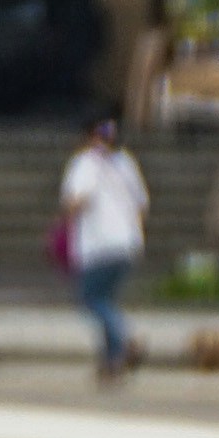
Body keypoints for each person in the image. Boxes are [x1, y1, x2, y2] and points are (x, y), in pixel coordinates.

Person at [58, 113, 148, 383]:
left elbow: (77, 201)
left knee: (92, 299)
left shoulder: (85, 163)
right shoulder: (125, 162)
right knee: (106, 300)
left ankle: (126, 341)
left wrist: (67, 215)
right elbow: (142, 204)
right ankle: (111, 362)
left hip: (99, 244)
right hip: (128, 243)